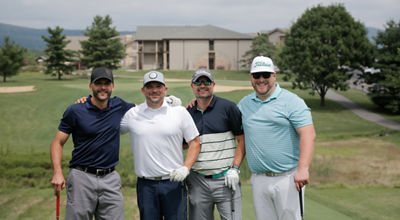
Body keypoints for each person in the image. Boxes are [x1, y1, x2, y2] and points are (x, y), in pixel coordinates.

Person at [237, 56, 316, 220]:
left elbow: (308, 134)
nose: (261, 80)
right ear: (251, 77)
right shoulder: (244, 104)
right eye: (256, 75)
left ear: (274, 75)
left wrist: (303, 168)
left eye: (266, 75)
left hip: (288, 178)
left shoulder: (292, 101)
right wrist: (195, 104)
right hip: (259, 179)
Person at [50, 67, 133, 220]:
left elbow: (146, 109)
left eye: (106, 83)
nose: (103, 87)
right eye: (98, 83)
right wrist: (57, 172)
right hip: (81, 177)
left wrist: (180, 102)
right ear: (91, 86)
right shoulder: (75, 110)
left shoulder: (119, 106)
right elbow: (57, 142)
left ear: (112, 86)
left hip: (110, 179)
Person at [120, 70, 201, 220]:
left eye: (158, 86)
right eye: (150, 87)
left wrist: (186, 167)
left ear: (165, 89)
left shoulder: (179, 112)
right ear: (143, 90)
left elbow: (195, 143)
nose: (154, 90)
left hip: (174, 183)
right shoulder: (132, 114)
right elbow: (109, 126)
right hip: (146, 186)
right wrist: (88, 101)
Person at [185, 69, 245, 220]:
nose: (203, 85)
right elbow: (183, 144)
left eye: (207, 82)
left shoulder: (228, 108)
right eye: (198, 82)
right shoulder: (187, 113)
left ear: (213, 85)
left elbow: (242, 140)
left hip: (226, 179)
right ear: (192, 86)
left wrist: (235, 169)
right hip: (197, 181)